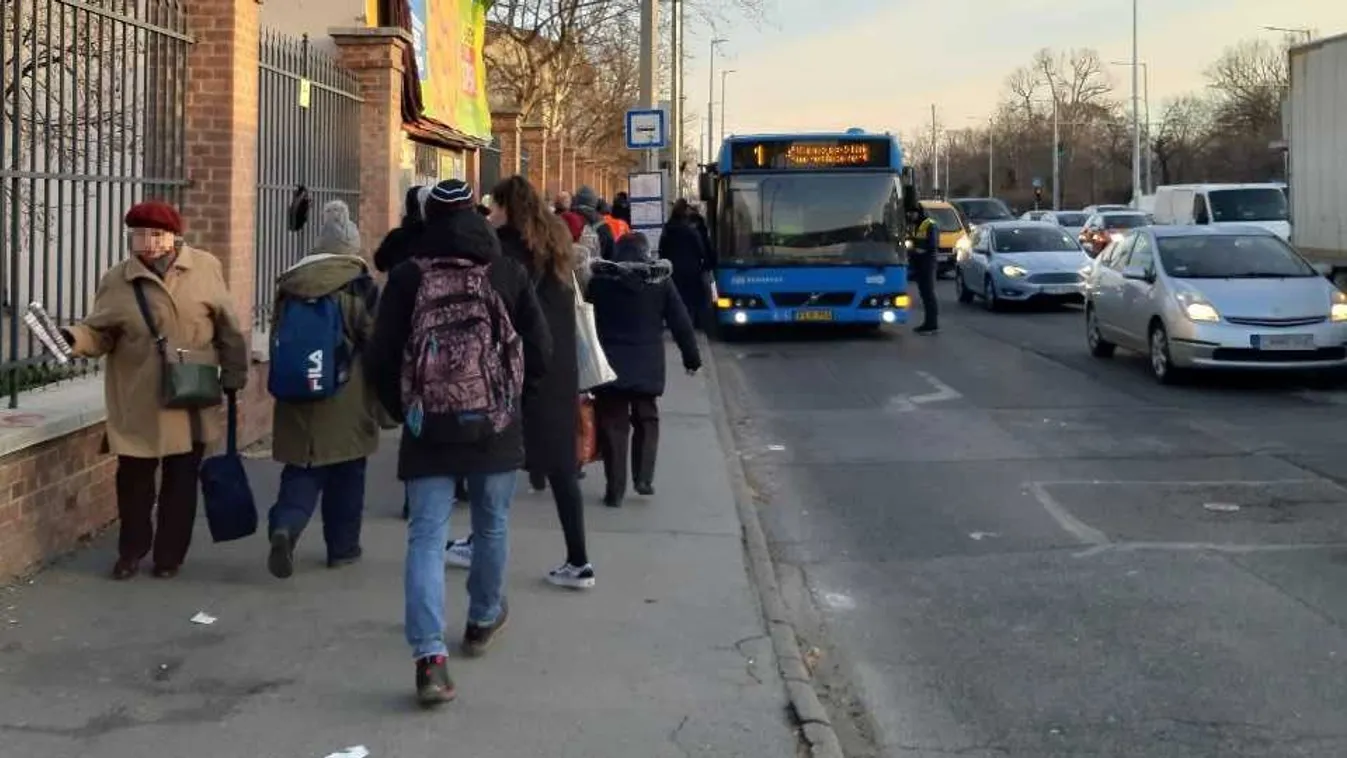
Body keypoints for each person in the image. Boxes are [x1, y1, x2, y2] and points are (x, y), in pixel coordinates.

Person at [365, 179, 552, 705]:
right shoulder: (506, 272)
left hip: (428, 429)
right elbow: (541, 351)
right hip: (494, 426)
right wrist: (511, 402)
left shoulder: (408, 276)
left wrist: (406, 411)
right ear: (476, 213)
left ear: (429, 217)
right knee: (491, 525)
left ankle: (430, 659)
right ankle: (482, 619)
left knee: (426, 536)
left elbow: (380, 357)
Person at [61, 200, 249, 580]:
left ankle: (169, 557)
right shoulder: (118, 280)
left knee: (181, 482)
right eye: (138, 234)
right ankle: (131, 551)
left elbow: (228, 327)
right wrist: (73, 338)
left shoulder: (205, 268)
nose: (146, 242)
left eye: (155, 234)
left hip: (190, 393)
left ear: (173, 237)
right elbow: (100, 332)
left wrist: (234, 374)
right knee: (133, 481)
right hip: (138, 395)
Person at [482, 175, 593, 589]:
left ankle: (479, 541)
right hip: (560, 369)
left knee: (494, 457)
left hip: (519, 366)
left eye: (494, 206)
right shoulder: (554, 247)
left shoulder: (506, 252)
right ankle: (579, 560)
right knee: (561, 467)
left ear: (507, 208)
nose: (490, 214)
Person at [265, 201, 383, 579]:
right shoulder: (359, 286)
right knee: (348, 474)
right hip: (346, 398)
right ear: (353, 248)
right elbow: (376, 342)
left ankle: (286, 525)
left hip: (296, 394)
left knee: (302, 470)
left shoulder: (291, 284)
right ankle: (342, 549)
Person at [587, 233, 701, 508]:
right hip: (647, 363)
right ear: (645, 252)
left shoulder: (600, 282)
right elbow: (681, 322)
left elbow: (586, 321)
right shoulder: (660, 282)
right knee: (647, 419)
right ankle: (644, 478)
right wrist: (691, 359)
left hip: (610, 365)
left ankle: (615, 491)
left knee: (613, 426)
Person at [660, 199, 712, 328]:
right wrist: (705, 264)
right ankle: (690, 324)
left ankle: (677, 324)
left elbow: (662, 250)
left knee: (676, 299)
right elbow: (701, 250)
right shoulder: (691, 230)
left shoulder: (668, 229)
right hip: (691, 271)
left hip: (673, 271)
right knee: (691, 300)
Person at [912, 208, 940, 335]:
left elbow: (932, 245)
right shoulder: (918, 225)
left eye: (913, 213)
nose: (911, 216)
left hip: (927, 262)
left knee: (928, 294)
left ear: (919, 213)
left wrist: (920, 251)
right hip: (921, 263)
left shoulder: (930, 224)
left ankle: (932, 325)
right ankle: (928, 323)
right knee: (924, 294)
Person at [571, 185, 615, 261]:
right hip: (596, 265)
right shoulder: (602, 224)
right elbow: (610, 254)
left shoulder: (565, 220)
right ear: (594, 202)